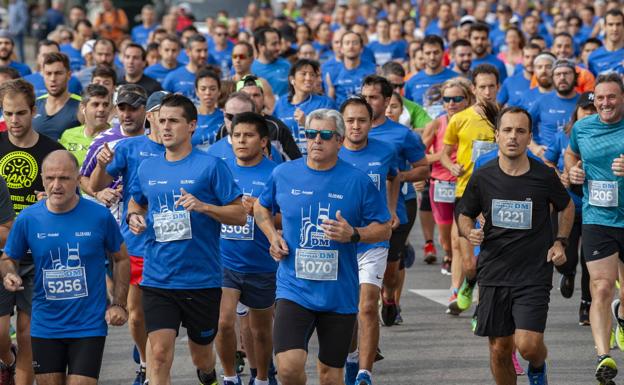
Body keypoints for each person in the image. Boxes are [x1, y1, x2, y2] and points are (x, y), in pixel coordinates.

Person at [253, 108, 392, 385]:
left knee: (330, 376)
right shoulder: (284, 173)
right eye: (311, 134)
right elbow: (260, 207)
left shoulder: (358, 181)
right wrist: (272, 237)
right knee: (289, 368)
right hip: (294, 289)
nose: (317, 140)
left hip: (338, 293)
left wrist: (354, 234)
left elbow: (384, 227)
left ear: (339, 140)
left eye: (325, 135)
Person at [127, 93, 246, 385]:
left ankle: (209, 377)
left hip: (200, 279)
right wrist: (134, 218)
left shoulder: (210, 166)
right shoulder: (147, 168)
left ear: (192, 125)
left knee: (202, 357)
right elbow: (136, 203)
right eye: (162, 120)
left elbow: (239, 214)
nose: (165, 127)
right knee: (159, 355)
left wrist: (204, 206)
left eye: (174, 121)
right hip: (158, 279)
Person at [457, 106, 574, 385]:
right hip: (494, 271)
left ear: (529, 136)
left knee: (528, 345)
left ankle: (537, 366)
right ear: (497, 135)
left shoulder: (543, 176)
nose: (513, 137)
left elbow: (566, 206)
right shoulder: (483, 176)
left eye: (520, 131)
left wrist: (561, 241)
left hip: (533, 272)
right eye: (507, 130)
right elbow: (464, 213)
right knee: (500, 349)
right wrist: (469, 231)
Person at [1, 149, 130, 385]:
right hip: (46, 325)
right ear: (42, 179)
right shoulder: (28, 219)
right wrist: (10, 274)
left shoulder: (99, 216)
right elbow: (9, 258)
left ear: (77, 177)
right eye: (50, 178)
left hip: (88, 325)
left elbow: (121, 258)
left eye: (64, 178)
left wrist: (119, 303)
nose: (56, 185)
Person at [89, 90, 168, 385]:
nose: (164, 122)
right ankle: (147, 365)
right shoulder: (128, 147)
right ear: (150, 118)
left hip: (174, 244)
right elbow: (98, 185)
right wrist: (100, 164)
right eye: (159, 116)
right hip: (136, 242)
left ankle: (160, 358)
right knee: (136, 315)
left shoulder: (185, 150)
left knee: (165, 317)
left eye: (170, 116)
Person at [0, 79, 65, 384]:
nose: (14, 120)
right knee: (1, 333)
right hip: (2, 253)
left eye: (21, 113)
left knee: (27, 334)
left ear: (34, 111)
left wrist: (53, 201)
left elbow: (71, 203)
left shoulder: (52, 152)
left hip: (38, 255)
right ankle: (7, 361)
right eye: (8, 113)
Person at [565, 73, 624, 385]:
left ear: (622, 98)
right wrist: (573, 170)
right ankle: (604, 356)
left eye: (611, 97)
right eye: (599, 98)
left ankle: (622, 319)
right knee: (601, 286)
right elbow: (572, 153)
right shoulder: (582, 127)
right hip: (598, 216)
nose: (605, 103)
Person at [339, 97, 400, 385]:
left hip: (374, 239)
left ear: (370, 121)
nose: (355, 126)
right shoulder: (332, 152)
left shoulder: (385, 150)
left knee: (366, 306)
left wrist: (391, 209)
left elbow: (394, 177)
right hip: (340, 242)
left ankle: (365, 372)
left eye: (361, 120)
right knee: (348, 310)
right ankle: (351, 358)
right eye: (350, 120)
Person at [215, 112, 278, 385]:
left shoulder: (276, 172)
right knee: (223, 322)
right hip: (224, 261)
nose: (241, 140)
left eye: (249, 135)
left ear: (263, 141)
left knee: (260, 332)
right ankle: (230, 376)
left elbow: (289, 217)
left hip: (262, 264)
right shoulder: (221, 169)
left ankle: (263, 378)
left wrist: (259, 212)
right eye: (237, 135)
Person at [361, 75, 429, 326]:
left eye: (373, 97)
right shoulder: (351, 131)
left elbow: (423, 169)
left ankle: (390, 296)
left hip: (397, 206)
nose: (367, 102)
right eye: (364, 97)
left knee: (389, 273)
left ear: (387, 100)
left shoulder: (402, 134)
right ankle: (369, 310)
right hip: (360, 210)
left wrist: (400, 175)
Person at [441, 64, 500, 315]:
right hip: (466, 192)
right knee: (469, 262)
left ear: (498, 87)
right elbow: (445, 154)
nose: (487, 92)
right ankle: (469, 282)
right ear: (474, 89)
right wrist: (451, 167)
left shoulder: (505, 116)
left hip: (498, 192)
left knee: (494, 257)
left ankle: (483, 310)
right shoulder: (460, 118)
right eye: (482, 87)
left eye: (491, 87)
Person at [544, 91, 596, 325]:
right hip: (567, 208)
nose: (590, 113)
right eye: (586, 109)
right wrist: (559, 176)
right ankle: (567, 273)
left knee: (590, 261)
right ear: (577, 112)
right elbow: (547, 161)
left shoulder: (606, 135)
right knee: (568, 258)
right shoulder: (562, 137)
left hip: (595, 209)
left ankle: (586, 304)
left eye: (594, 109)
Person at [422, 78, 474, 280]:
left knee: (461, 232)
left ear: (467, 100)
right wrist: (444, 156)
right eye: (447, 99)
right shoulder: (436, 124)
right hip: (442, 183)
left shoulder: (474, 122)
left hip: (467, 184)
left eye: (457, 99)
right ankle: (450, 255)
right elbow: (420, 156)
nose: (451, 103)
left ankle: (463, 265)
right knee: (445, 233)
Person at [273, 59, 336, 155]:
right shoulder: (280, 103)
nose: (309, 78)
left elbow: (333, 133)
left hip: (317, 158)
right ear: (291, 79)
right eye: (304, 74)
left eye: (312, 75)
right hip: (288, 162)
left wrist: (307, 123)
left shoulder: (325, 103)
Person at [529, 59, 580, 156]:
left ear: (575, 77)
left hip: (576, 160)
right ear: (552, 78)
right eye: (558, 74)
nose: (562, 78)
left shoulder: (583, 102)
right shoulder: (542, 101)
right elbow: (522, 125)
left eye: (566, 73)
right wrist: (534, 147)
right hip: (548, 162)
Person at [59, 84, 113, 167]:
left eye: (105, 105)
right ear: (82, 108)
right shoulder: (68, 135)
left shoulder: (118, 136)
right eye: (95, 104)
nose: (101, 109)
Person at [32, 52, 81, 141]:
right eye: (48, 73)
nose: (53, 79)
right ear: (43, 75)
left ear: (69, 75)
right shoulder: (34, 104)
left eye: (58, 73)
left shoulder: (82, 106)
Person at [404, 35, 458, 115]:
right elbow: (408, 113)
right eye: (428, 53)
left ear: (443, 53)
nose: (432, 57)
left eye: (436, 52)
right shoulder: (411, 82)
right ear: (422, 54)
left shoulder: (457, 79)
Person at [326, 31, 376, 107]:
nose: (351, 46)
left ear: (361, 48)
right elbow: (330, 102)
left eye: (355, 43)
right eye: (347, 43)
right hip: (341, 115)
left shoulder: (373, 70)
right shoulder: (332, 72)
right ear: (341, 49)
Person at [162, 34, 210, 104]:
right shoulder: (173, 77)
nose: (203, 55)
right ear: (188, 52)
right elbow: (161, 104)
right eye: (198, 51)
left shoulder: (212, 76)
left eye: (205, 50)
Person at [231, 41, 276, 114]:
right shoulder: (227, 84)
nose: (237, 60)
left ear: (251, 59)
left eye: (242, 57)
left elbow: (273, 111)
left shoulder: (262, 83)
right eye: (234, 56)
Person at [251, 27, 292, 98]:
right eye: (274, 44)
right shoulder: (251, 69)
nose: (278, 48)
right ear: (261, 46)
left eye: (279, 43)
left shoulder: (287, 65)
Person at [194, 68, 224, 146]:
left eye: (212, 89)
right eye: (203, 89)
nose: (208, 93)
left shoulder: (226, 117)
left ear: (219, 91)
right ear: (196, 92)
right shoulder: (188, 117)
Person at [588, 9, 624, 76]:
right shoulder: (593, 56)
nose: (615, 29)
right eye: (610, 24)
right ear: (604, 27)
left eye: (618, 24)